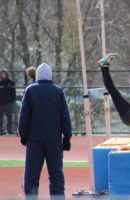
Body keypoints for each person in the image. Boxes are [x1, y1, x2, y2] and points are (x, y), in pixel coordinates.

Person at [18, 63, 72, 199]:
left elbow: (24, 117)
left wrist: (23, 136)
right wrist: (67, 138)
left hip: (34, 140)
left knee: (31, 177)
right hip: (54, 140)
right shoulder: (58, 91)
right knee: (56, 177)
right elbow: (65, 117)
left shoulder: (30, 90)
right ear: (50, 75)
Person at [0, 69, 16, 135]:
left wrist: (11, 101)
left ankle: (9, 130)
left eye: (4, 74)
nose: (3, 75)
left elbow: (13, 94)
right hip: (0, 104)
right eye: (2, 74)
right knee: (0, 118)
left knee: (10, 118)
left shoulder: (11, 83)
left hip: (8, 104)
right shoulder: (0, 83)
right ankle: (1, 130)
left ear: (7, 74)